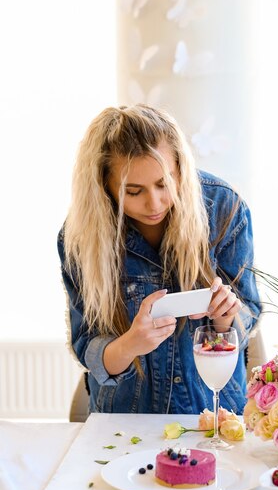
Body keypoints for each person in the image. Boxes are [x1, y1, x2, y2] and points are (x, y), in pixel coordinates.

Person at [58, 103, 261, 414]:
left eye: (164, 183)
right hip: (126, 419)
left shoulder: (223, 207)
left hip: (212, 413)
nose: (154, 203)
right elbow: (87, 344)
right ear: (105, 187)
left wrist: (224, 317)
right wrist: (130, 345)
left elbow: (248, 315)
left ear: (180, 167)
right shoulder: (82, 237)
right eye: (134, 191)